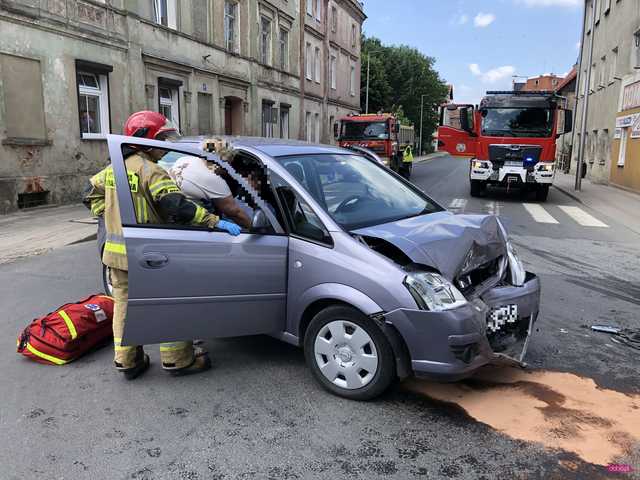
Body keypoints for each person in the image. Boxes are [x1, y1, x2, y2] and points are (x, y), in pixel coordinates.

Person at [84, 111, 242, 380]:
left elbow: (89, 195)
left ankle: (127, 361)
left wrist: (109, 217)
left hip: (116, 256)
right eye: (161, 139)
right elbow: (177, 207)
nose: (163, 146)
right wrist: (214, 221)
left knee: (124, 306)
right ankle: (177, 360)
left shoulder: (113, 170)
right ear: (145, 141)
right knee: (172, 303)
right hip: (150, 254)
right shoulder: (151, 171)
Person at [168, 155, 251, 229]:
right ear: (222, 163)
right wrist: (253, 228)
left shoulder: (185, 159)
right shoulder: (213, 179)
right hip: (187, 224)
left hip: (169, 213)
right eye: (229, 165)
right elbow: (234, 213)